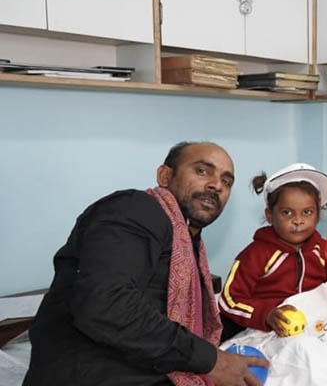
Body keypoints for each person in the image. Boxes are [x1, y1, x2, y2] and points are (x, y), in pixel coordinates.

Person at [23, 141, 269, 386]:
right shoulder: (136, 210)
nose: (216, 185)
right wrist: (211, 360)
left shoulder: (188, 243)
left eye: (226, 182)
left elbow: (183, 323)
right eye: (202, 171)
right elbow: (106, 303)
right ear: (165, 175)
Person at [218, 163, 327, 341]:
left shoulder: (325, 251)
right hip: (269, 330)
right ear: (270, 215)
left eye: (307, 212)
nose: (298, 221)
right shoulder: (256, 254)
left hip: (317, 326)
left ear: (318, 215)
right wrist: (266, 315)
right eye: (287, 213)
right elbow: (228, 300)